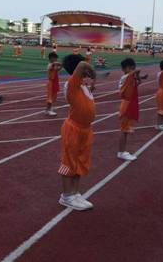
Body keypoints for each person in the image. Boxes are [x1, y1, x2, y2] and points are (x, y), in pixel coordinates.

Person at [58, 54, 96, 211]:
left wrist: (91, 81)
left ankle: (75, 193)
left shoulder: (82, 85)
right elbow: (81, 65)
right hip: (73, 129)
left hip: (86, 129)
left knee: (80, 161)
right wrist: (92, 70)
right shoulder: (72, 83)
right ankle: (66, 196)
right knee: (69, 161)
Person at [117, 58, 147, 161]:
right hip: (127, 105)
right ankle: (121, 152)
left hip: (129, 104)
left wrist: (138, 77)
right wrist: (136, 72)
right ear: (129, 68)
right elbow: (136, 72)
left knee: (125, 130)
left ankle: (123, 151)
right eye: (132, 68)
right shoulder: (127, 77)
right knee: (123, 130)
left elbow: (138, 82)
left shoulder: (129, 78)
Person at [45, 52, 62, 116]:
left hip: (54, 82)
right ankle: (48, 110)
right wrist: (60, 63)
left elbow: (57, 70)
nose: (56, 59)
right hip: (51, 82)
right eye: (55, 58)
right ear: (51, 58)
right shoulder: (50, 65)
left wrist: (62, 66)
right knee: (50, 97)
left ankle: (49, 109)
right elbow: (53, 65)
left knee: (54, 97)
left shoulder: (53, 65)